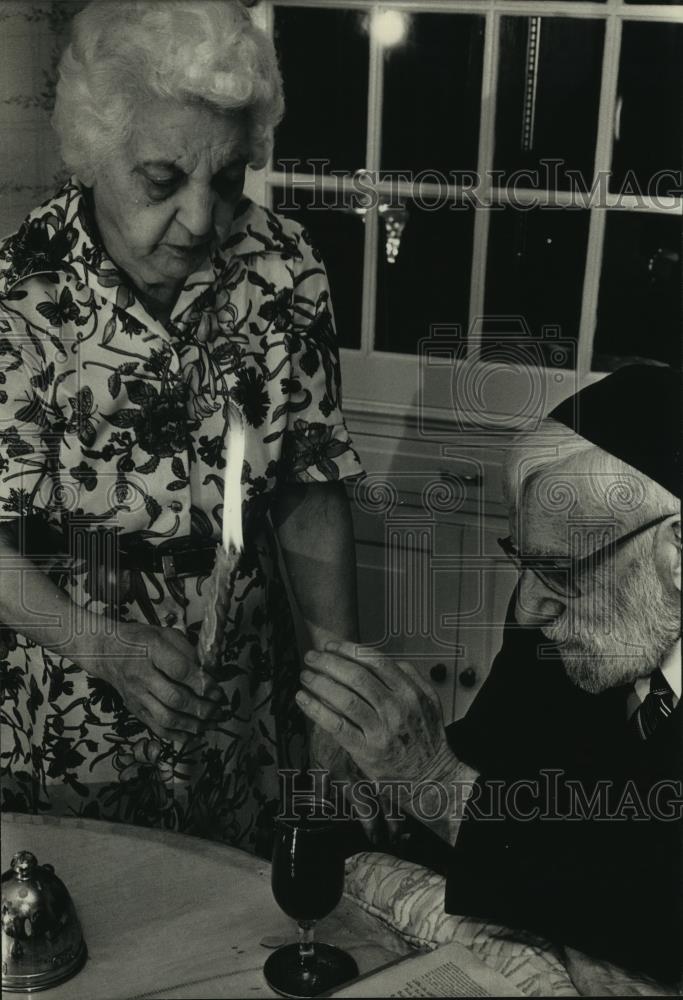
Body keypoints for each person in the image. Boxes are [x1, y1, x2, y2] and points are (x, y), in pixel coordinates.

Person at [0, 0, 362, 850]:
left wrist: (338, 692)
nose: (202, 221)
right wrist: (103, 647)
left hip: (237, 696)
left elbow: (306, 489)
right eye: (162, 182)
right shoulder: (21, 298)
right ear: (92, 154)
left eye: (229, 178)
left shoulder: (283, 270)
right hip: (70, 704)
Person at [295, 364, 682, 983]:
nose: (527, 606)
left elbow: (654, 903)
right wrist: (384, 785)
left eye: (557, 571)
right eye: (521, 560)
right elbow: (497, 759)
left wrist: (433, 780)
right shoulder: (553, 624)